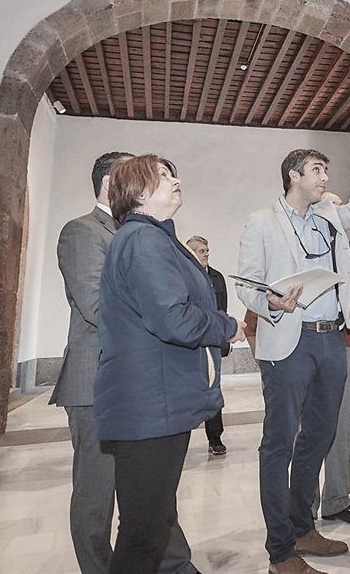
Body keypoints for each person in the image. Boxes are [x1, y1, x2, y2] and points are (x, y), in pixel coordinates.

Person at [236, 128, 350, 574]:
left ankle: (303, 528)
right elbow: (246, 283)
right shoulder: (262, 221)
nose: (324, 177)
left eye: (326, 170)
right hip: (288, 341)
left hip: (330, 339)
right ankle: (280, 551)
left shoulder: (328, 215)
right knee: (279, 444)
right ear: (294, 175)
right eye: (317, 170)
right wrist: (270, 302)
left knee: (319, 435)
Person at [95, 154, 243, 574]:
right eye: (162, 175)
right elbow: (172, 318)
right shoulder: (144, 240)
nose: (174, 179)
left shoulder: (152, 237)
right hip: (148, 402)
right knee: (143, 535)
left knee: (153, 524)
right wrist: (228, 325)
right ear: (138, 192)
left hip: (156, 399)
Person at [312, 193, 350, 528]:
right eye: (329, 206)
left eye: (339, 206)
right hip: (312, 343)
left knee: (343, 425)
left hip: (348, 344)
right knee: (309, 426)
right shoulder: (307, 248)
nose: (336, 212)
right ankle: (304, 506)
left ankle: (337, 500)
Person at [185, 235, 231, 456]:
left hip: (212, 342)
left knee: (213, 390)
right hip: (191, 343)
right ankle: (180, 438)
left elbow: (222, 310)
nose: (206, 254)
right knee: (186, 391)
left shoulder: (217, 277)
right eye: (201, 251)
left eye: (207, 250)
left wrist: (224, 337)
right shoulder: (182, 276)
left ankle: (215, 437)